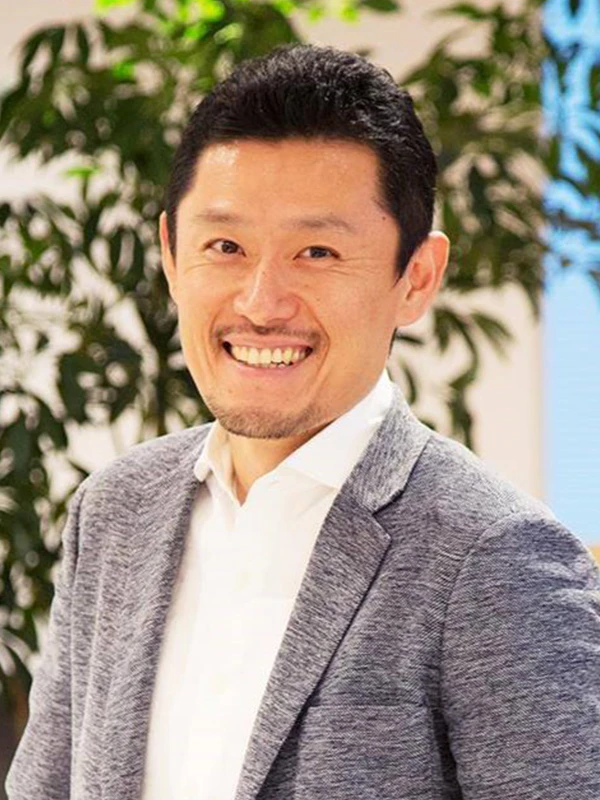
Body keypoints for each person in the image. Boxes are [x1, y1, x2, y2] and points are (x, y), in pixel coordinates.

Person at [6, 43, 600, 800]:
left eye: (317, 251)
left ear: (417, 277)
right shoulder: (115, 512)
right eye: (225, 246)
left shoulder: (496, 557)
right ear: (171, 256)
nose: (261, 303)